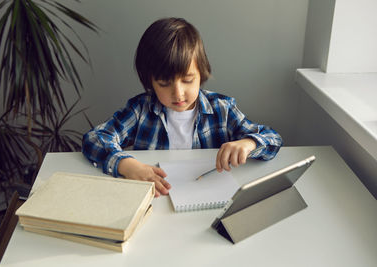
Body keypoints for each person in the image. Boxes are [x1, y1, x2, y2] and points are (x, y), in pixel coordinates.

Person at [82, 17, 283, 197]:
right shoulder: (140, 110)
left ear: (202, 74)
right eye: (164, 84)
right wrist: (126, 165)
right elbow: (94, 138)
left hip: (207, 200)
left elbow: (273, 139)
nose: (178, 93)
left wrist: (249, 143)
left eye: (187, 80)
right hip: (156, 201)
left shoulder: (222, 109)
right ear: (150, 81)